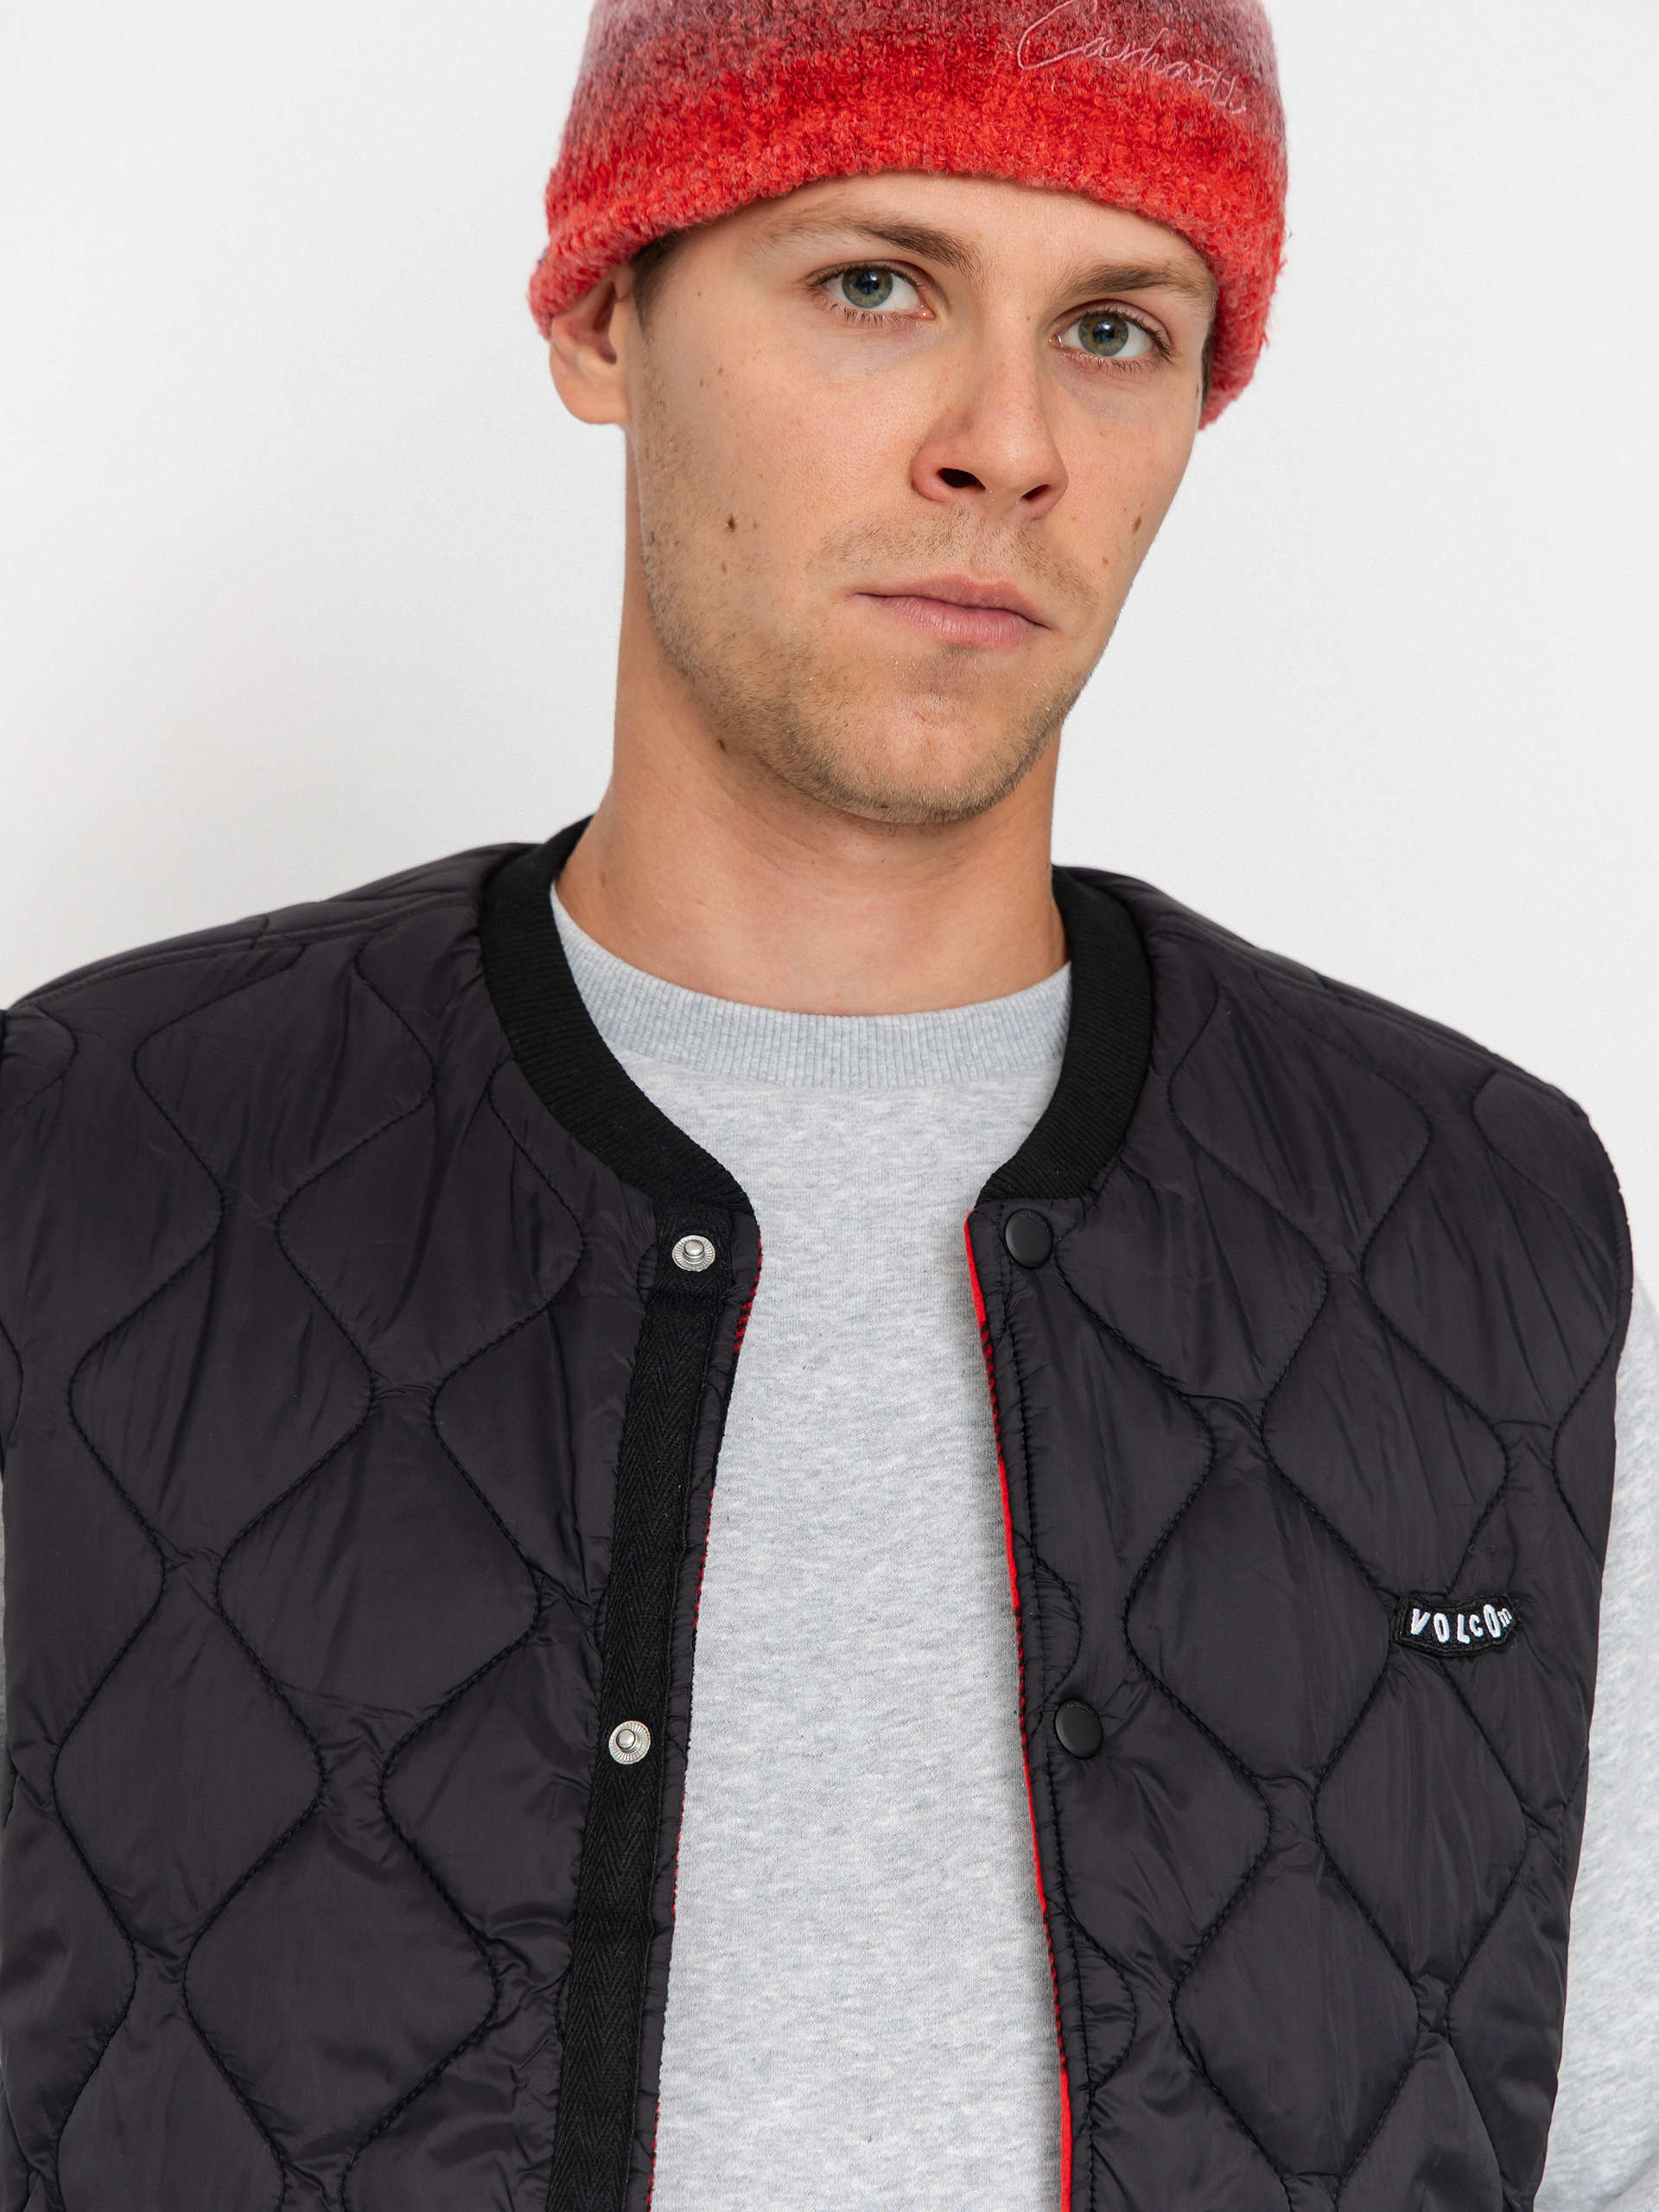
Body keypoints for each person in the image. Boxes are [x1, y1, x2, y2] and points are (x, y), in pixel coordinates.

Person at [0, 1, 1651, 2206]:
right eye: (877, 283)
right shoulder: (90, 1166)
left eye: (1116, 329)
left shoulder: (1483, 1234)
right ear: (604, 314)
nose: (1007, 443)